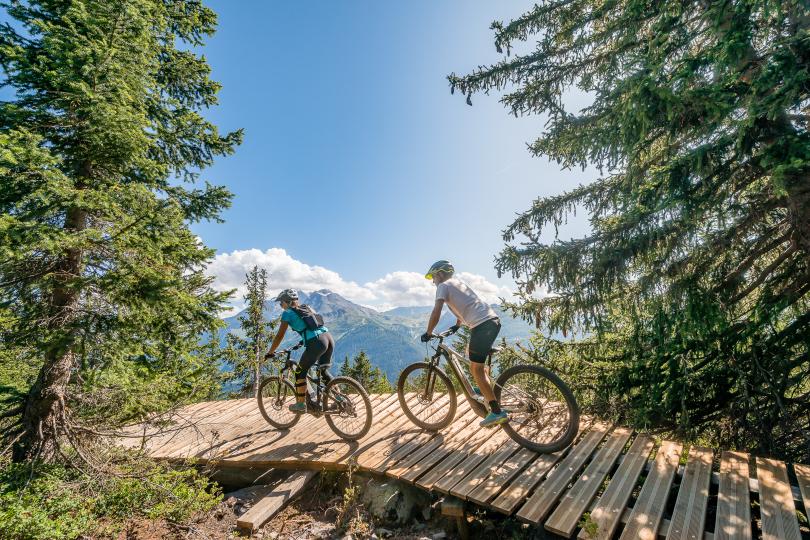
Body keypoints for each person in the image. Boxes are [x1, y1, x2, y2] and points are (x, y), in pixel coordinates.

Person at [421, 260, 508, 427]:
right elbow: (464, 305)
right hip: (491, 321)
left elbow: (436, 310)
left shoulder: (443, 286)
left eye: (433, 277)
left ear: (440, 274)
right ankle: (485, 389)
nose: (433, 281)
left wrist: (429, 332)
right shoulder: (457, 283)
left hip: (482, 326)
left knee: (475, 369)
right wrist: (457, 324)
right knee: (473, 356)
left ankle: (496, 412)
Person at [265, 289, 334, 413]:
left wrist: (270, 352)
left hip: (317, 342)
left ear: (287, 302)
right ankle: (340, 400)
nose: (280, 305)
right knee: (323, 372)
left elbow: (279, 336)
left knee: (299, 373)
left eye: (281, 302)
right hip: (328, 338)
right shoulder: (306, 308)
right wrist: (303, 341)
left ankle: (301, 405)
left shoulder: (287, 313)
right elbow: (314, 326)